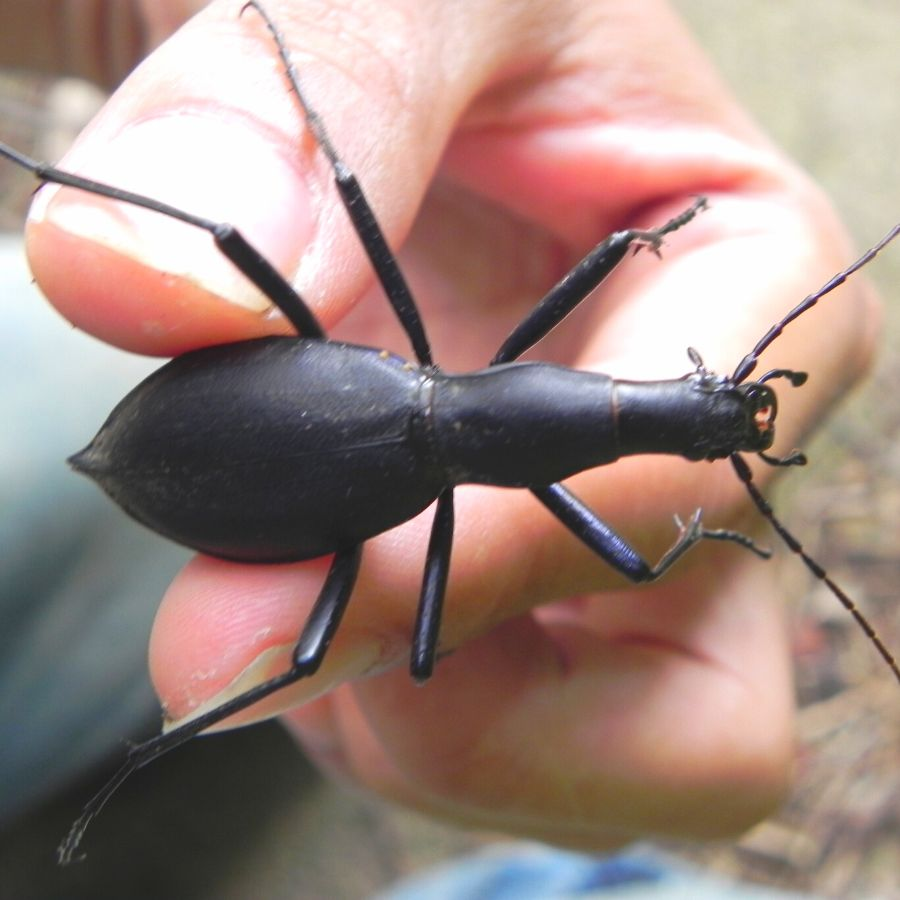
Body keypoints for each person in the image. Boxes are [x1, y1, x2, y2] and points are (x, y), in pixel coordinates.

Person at [3, 0, 880, 853]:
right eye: (686, 390)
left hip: (195, 444)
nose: (679, 396)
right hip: (196, 446)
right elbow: (605, 576)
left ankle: (137, 760)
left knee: (262, 227)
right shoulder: (448, 498)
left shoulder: (450, 373)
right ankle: (141, 756)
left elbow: (370, 189)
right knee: (312, 657)